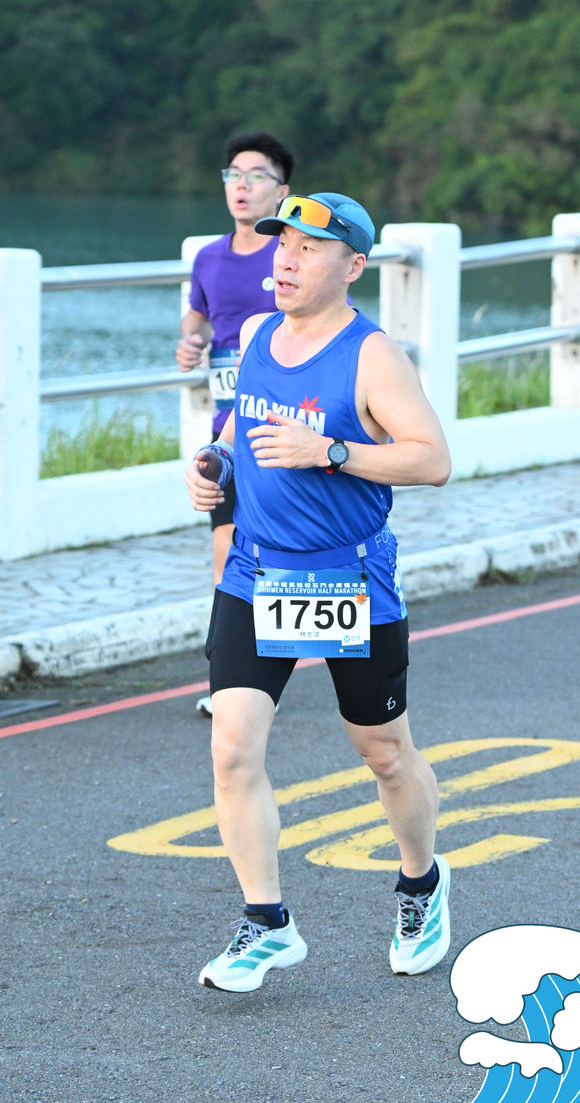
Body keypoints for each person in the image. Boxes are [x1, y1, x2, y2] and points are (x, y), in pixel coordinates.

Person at [185, 191, 453, 992]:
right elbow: (236, 431)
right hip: (256, 572)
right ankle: (266, 922)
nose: (287, 260)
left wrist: (329, 450)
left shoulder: (373, 356)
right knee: (232, 747)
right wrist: (212, 466)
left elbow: (430, 459)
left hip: (347, 576)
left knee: (384, 753)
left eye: (308, 248)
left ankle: (421, 883)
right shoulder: (258, 334)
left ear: (353, 265)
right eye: (282, 245)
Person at [176, 131, 292, 714]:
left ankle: (277, 662)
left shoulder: (290, 257)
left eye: (256, 176)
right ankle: (228, 684)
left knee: (281, 555)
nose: (241, 186)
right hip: (227, 435)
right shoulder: (208, 258)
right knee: (226, 551)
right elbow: (197, 316)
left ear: (282, 190)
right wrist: (190, 342)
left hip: (286, 431)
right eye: (233, 175)